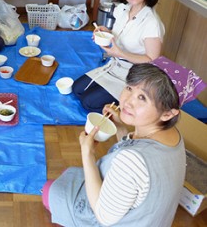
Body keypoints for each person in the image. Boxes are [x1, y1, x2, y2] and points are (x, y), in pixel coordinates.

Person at [42, 56, 207, 227]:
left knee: (49, 191)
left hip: (109, 217)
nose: (127, 101)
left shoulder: (130, 160)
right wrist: (121, 128)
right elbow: (138, 171)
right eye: (129, 88)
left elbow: (103, 216)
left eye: (142, 98)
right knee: (69, 177)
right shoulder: (174, 135)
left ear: (168, 114)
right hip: (150, 218)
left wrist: (87, 153)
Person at [72, 0, 165, 113]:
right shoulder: (123, 9)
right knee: (77, 89)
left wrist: (120, 53)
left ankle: (132, 101)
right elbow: (122, 35)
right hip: (114, 65)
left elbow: (152, 60)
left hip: (134, 75)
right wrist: (107, 32)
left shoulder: (152, 23)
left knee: (88, 103)